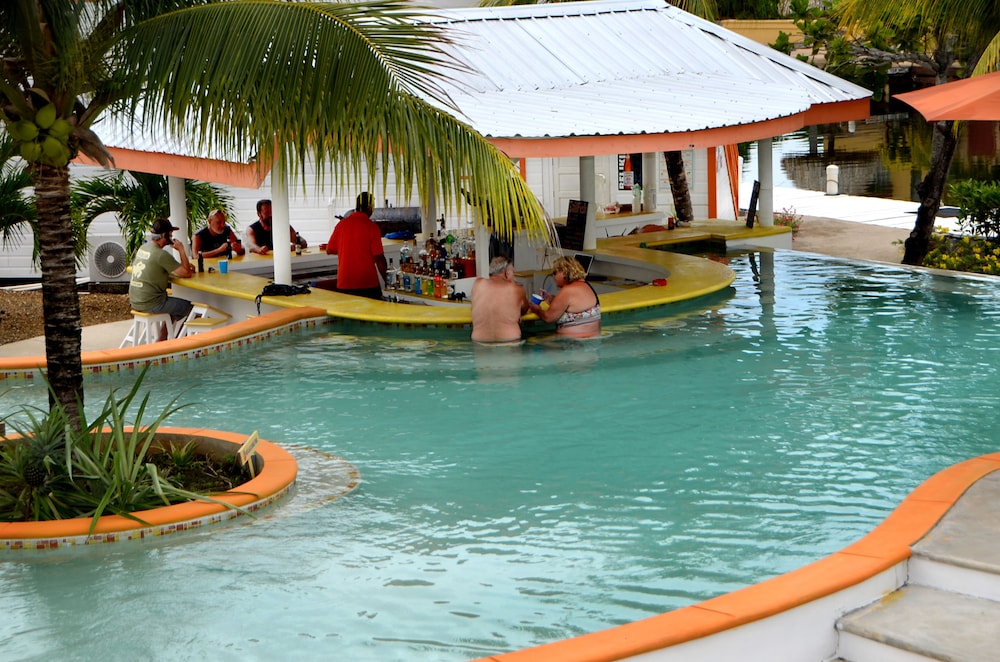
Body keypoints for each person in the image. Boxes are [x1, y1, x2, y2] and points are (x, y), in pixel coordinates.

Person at [129, 218, 194, 334]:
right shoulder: (161, 255)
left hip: (136, 301)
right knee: (191, 310)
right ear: (164, 235)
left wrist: (183, 267)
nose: (172, 236)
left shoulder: (143, 248)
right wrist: (181, 250)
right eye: (170, 233)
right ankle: (180, 341)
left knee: (173, 308)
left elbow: (156, 268)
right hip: (152, 303)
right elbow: (186, 273)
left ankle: (162, 341)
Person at [325, 192, 387, 300]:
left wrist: (347, 248)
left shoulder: (342, 224)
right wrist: (387, 280)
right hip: (367, 284)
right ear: (369, 207)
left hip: (345, 284)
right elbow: (379, 259)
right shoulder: (372, 227)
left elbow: (329, 249)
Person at [527, 255, 601, 338]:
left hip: (571, 342)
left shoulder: (567, 290)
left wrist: (536, 309)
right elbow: (572, 304)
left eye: (555, 273)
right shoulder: (586, 286)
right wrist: (551, 299)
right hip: (593, 339)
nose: (554, 277)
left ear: (564, 272)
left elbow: (549, 317)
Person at [471, 255, 530, 344]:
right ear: (507, 273)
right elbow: (524, 310)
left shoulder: (478, 284)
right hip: (510, 340)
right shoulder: (517, 289)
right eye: (513, 272)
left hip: (480, 341)